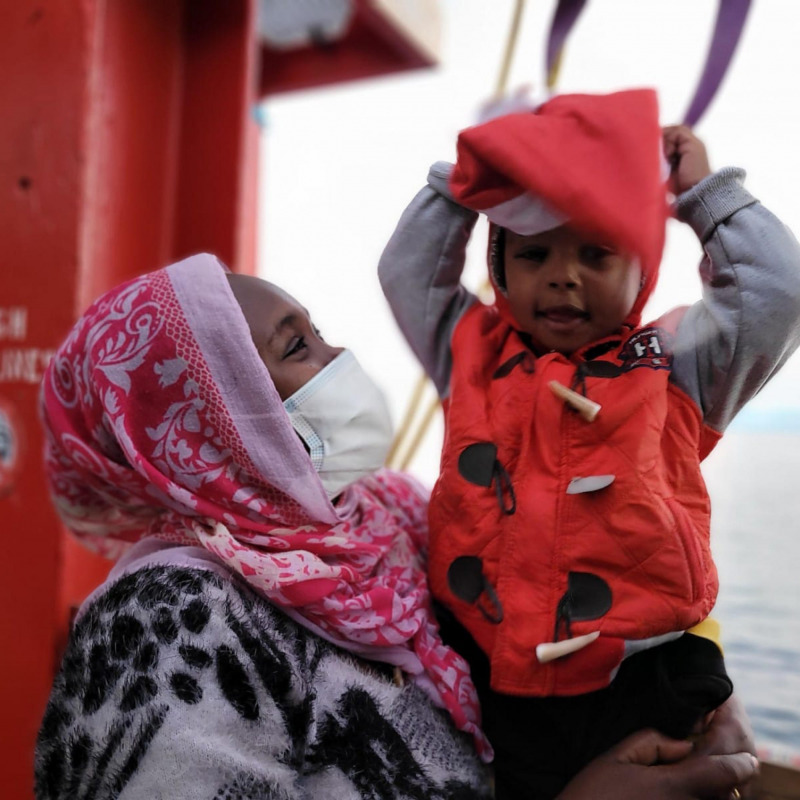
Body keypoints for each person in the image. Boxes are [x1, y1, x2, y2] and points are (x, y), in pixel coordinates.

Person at [34, 253, 759, 799]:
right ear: (206, 421)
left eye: (318, 333)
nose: (339, 359)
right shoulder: (165, 623)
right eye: (297, 349)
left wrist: (690, 692)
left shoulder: (394, 518)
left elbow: (554, 593)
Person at [379, 89, 800, 799]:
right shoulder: (468, 352)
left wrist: (704, 195)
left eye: (598, 253)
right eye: (536, 252)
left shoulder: (680, 364)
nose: (563, 275)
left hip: (644, 679)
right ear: (501, 266)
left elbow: (776, 292)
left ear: (642, 269)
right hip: (490, 670)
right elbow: (408, 271)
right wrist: (468, 176)